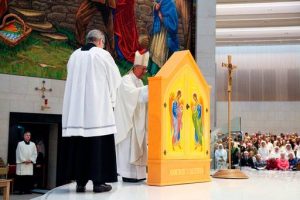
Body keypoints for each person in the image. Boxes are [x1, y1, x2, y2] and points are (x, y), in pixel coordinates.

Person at [62, 29, 122, 193]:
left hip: (76, 113)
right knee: (97, 146)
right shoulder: (103, 55)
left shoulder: (74, 56)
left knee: (80, 145)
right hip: (97, 111)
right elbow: (115, 80)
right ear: (100, 41)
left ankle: (80, 183)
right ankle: (98, 183)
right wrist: (112, 101)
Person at [114, 51, 149, 183]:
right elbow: (135, 96)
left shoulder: (139, 83)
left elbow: (143, 98)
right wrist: (152, 88)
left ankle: (138, 175)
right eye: (144, 68)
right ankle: (128, 174)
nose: (145, 71)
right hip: (127, 126)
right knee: (128, 149)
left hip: (137, 124)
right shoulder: (126, 80)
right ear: (136, 67)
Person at [149, 0, 179, 75]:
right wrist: (156, 8)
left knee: (159, 50)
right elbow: (155, 6)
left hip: (165, 33)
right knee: (154, 48)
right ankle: (151, 70)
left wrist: (162, 18)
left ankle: (156, 72)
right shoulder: (160, 0)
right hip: (158, 29)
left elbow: (173, 24)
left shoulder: (171, 4)